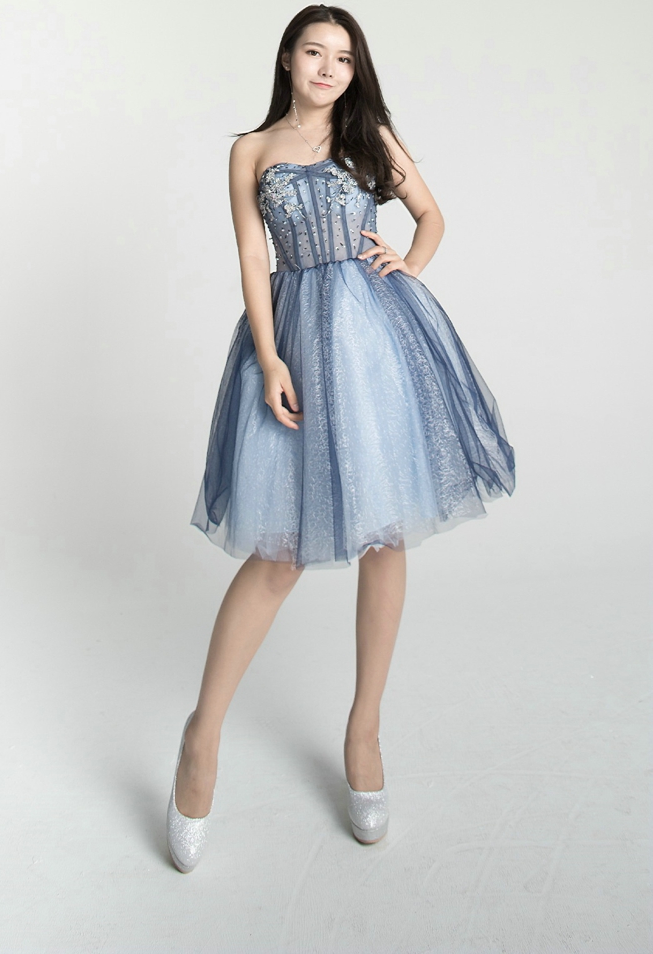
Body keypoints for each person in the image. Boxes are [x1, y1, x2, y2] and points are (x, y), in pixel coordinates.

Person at [166, 3, 516, 873]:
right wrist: (268, 354)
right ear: (287, 59)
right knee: (279, 550)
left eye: (344, 58)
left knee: (386, 532)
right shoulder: (251, 150)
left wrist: (408, 265)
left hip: (372, 343)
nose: (328, 68)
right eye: (314, 52)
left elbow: (430, 216)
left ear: (355, 71)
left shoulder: (370, 136)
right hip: (294, 338)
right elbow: (254, 257)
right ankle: (202, 737)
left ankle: (365, 732)